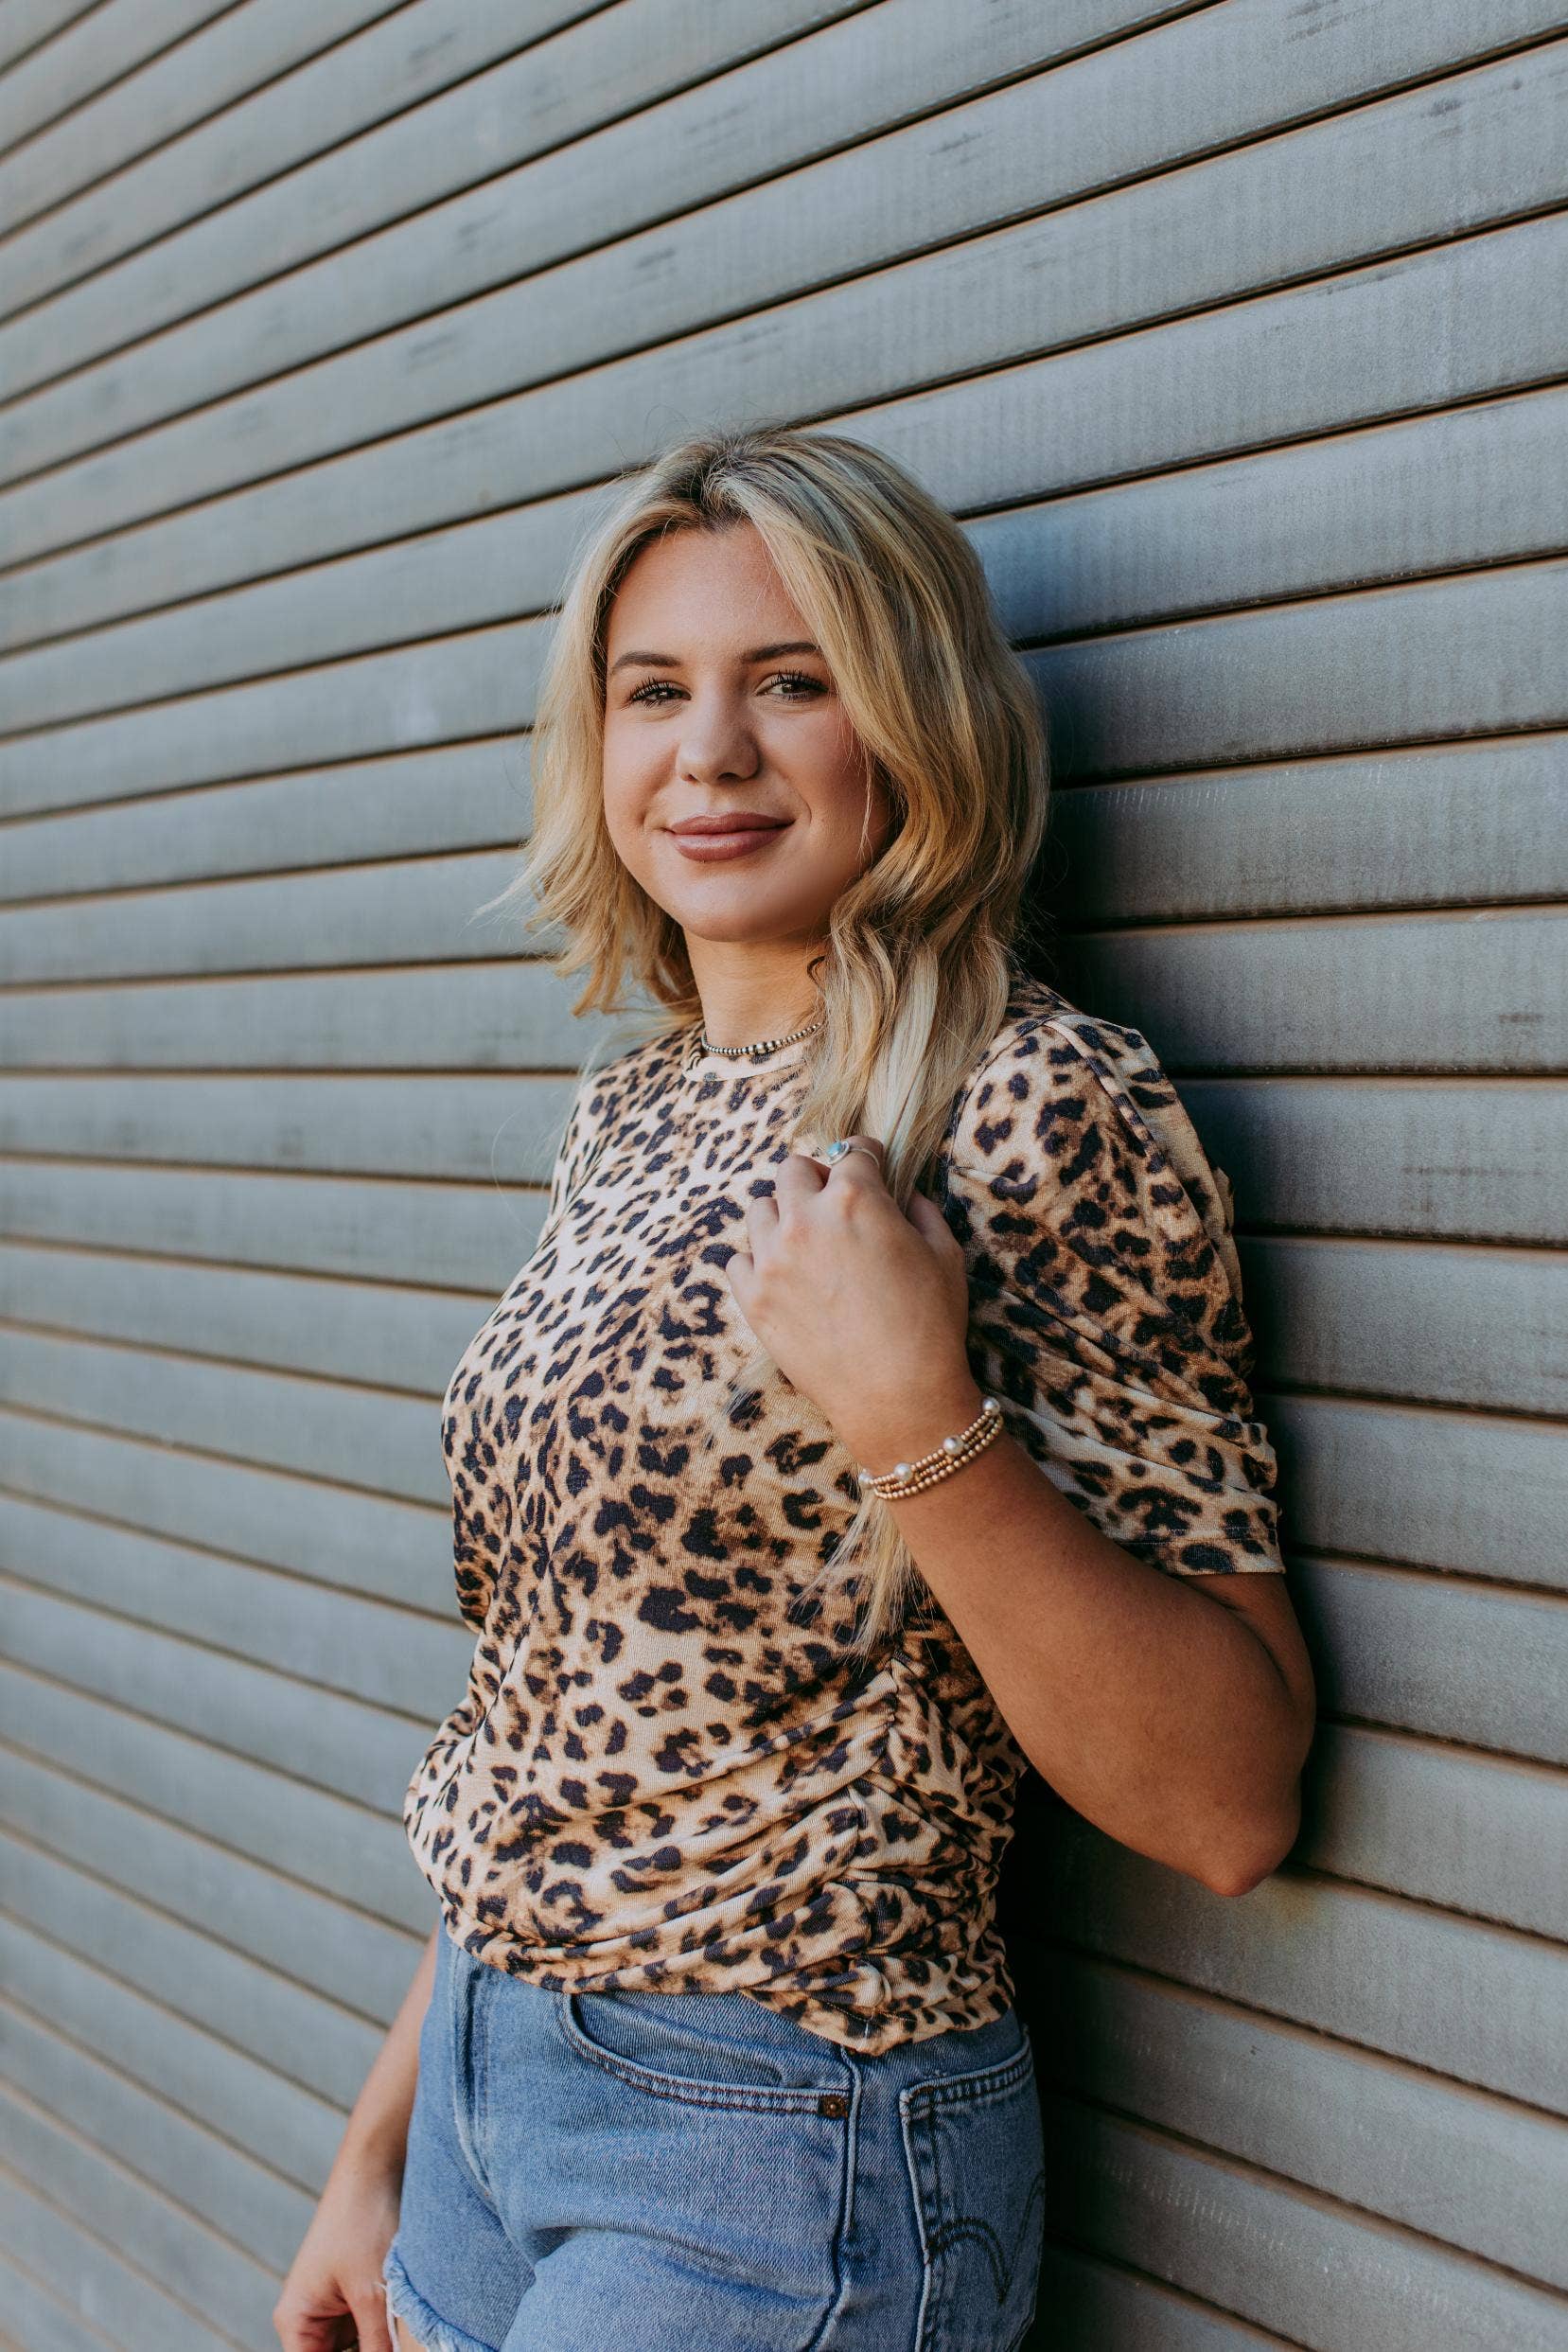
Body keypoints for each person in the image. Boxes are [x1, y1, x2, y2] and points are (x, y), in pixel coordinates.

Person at [273, 426, 1315, 2352]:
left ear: (911, 722)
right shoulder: (632, 1116)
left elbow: (1228, 1799)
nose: (711, 753)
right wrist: (383, 2143)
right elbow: (546, 1706)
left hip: (776, 2152)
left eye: (794, 680)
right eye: (651, 689)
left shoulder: (1029, 1107)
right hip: (499, 2116)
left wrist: (920, 1426)